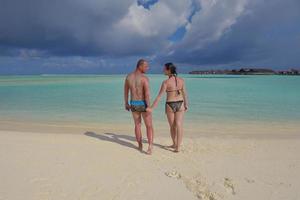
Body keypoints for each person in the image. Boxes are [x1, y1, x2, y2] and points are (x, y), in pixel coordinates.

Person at [147, 63, 188, 152]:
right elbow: (184, 93)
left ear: (169, 70)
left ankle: (174, 144)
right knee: (179, 124)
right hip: (180, 103)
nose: (163, 70)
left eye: (164, 69)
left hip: (170, 104)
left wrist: (152, 107)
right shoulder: (181, 80)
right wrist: (186, 104)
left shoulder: (165, 82)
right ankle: (178, 147)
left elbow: (159, 96)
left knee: (173, 126)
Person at [124, 59, 154, 154]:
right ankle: (150, 146)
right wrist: (149, 106)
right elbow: (147, 94)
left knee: (137, 125)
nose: (147, 68)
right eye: (146, 66)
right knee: (149, 126)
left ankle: (140, 145)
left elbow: (126, 91)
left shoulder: (128, 77)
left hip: (134, 103)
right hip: (143, 103)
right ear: (140, 66)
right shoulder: (144, 78)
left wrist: (126, 103)